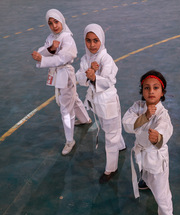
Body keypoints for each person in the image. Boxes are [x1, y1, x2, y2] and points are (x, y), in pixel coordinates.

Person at [122, 70, 176, 215]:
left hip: (156, 156)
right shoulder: (138, 106)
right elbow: (127, 123)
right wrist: (144, 117)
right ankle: (145, 180)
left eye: (155, 88)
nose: (151, 91)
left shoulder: (162, 114)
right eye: (147, 88)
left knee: (161, 195)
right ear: (142, 91)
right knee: (144, 169)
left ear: (162, 92)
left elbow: (165, 128)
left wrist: (158, 137)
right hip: (142, 152)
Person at [31, 9, 91, 155]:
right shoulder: (51, 37)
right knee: (73, 98)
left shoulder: (67, 38)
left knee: (65, 108)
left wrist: (43, 59)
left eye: (56, 22)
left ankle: (70, 140)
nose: (54, 26)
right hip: (58, 74)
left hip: (65, 73)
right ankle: (85, 119)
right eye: (50, 23)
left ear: (62, 20)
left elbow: (63, 58)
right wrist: (50, 49)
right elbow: (44, 49)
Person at [76, 24, 125, 183]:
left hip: (108, 102)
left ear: (101, 40)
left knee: (110, 136)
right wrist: (89, 72)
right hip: (96, 103)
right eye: (88, 41)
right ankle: (121, 144)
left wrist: (94, 77)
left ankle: (111, 168)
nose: (92, 45)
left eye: (95, 40)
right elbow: (79, 79)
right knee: (109, 128)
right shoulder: (85, 59)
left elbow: (110, 80)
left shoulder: (106, 59)